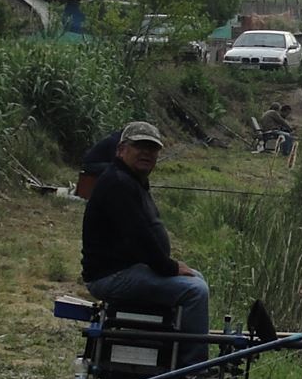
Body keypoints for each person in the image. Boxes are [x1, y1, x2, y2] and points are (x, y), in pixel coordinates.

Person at [81, 120, 209, 343]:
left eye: (152, 148)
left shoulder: (131, 180)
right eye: (140, 146)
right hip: (110, 275)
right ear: (121, 150)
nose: (146, 153)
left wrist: (167, 265)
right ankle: (194, 369)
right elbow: (138, 238)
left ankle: (174, 349)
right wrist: (168, 267)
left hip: (127, 268)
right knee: (195, 291)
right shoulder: (118, 183)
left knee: (197, 278)